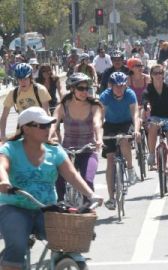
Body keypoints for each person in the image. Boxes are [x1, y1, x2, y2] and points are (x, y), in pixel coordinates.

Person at [0, 106, 103, 270]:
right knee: (17, 247)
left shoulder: (54, 151)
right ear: (26, 128)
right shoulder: (10, 149)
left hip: (46, 209)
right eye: (42, 126)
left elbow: (72, 175)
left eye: (48, 125)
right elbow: (1, 166)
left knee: (68, 240)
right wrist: (4, 181)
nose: (47, 129)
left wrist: (91, 195)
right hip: (15, 207)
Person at [53, 73, 104, 202]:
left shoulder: (94, 105)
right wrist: (49, 139)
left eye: (87, 88)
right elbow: (53, 125)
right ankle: (60, 204)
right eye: (80, 88)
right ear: (72, 89)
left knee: (87, 181)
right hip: (67, 150)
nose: (84, 91)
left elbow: (97, 123)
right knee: (58, 178)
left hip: (88, 149)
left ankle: (87, 213)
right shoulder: (63, 106)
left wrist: (99, 139)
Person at [100, 72, 140, 210]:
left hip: (125, 123)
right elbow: (100, 117)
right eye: (116, 86)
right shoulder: (105, 96)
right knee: (110, 160)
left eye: (122, 86)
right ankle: (111, 198)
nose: (119, 88)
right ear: (111, 85)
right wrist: (98, 133)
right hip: (110, 124)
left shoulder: (130, 94)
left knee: (124, 140)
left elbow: (135, 114)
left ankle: (130, 168)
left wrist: (137, 130)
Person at [1, 63, 51, 141]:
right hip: (22, 132)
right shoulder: (13, 93)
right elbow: (4, 116)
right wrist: (2, 135)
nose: (22, 82)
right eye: (20, 79)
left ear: (30, 78)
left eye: (25, 79)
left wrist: (48, 134)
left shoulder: (40, 90)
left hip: (39, 130)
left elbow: (47, 113)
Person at [142, 64, 168, 175]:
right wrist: (146, 105)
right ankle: (152, 154)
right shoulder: (149, 88)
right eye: (155, 73)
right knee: (152, 125)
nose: (158, 75)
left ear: (163, 75)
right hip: (155, 116)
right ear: (151, 75)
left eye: (160, 73)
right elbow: (145, 98)